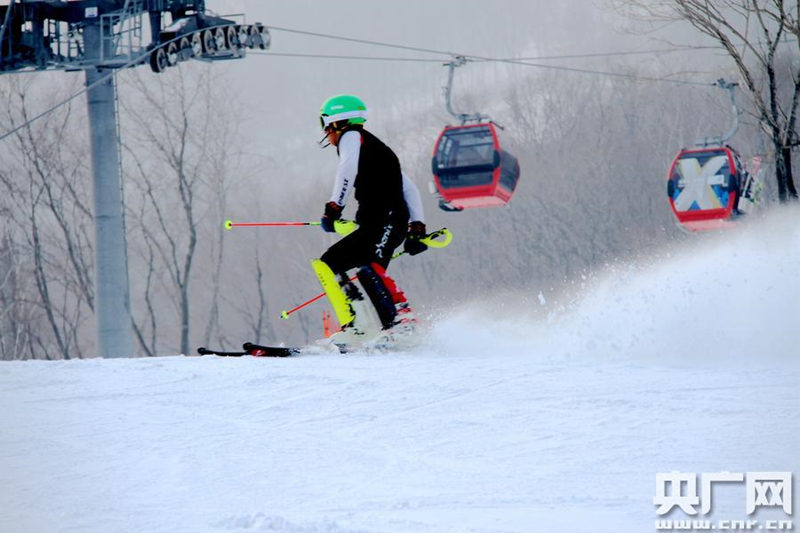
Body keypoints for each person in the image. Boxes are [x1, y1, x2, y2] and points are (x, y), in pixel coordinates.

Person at [311, 94, 427, 345]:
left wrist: (334, 207)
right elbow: (410, 189)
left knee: (368, 268)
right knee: (330, 263)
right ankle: (358, 326)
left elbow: (347, 168)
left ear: (335, 122)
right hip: (380, 223)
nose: (326, 135)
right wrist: (417, 227)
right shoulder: (374, 149)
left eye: (325, 125)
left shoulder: (351, 137)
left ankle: (401, 325)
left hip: (387, 220)